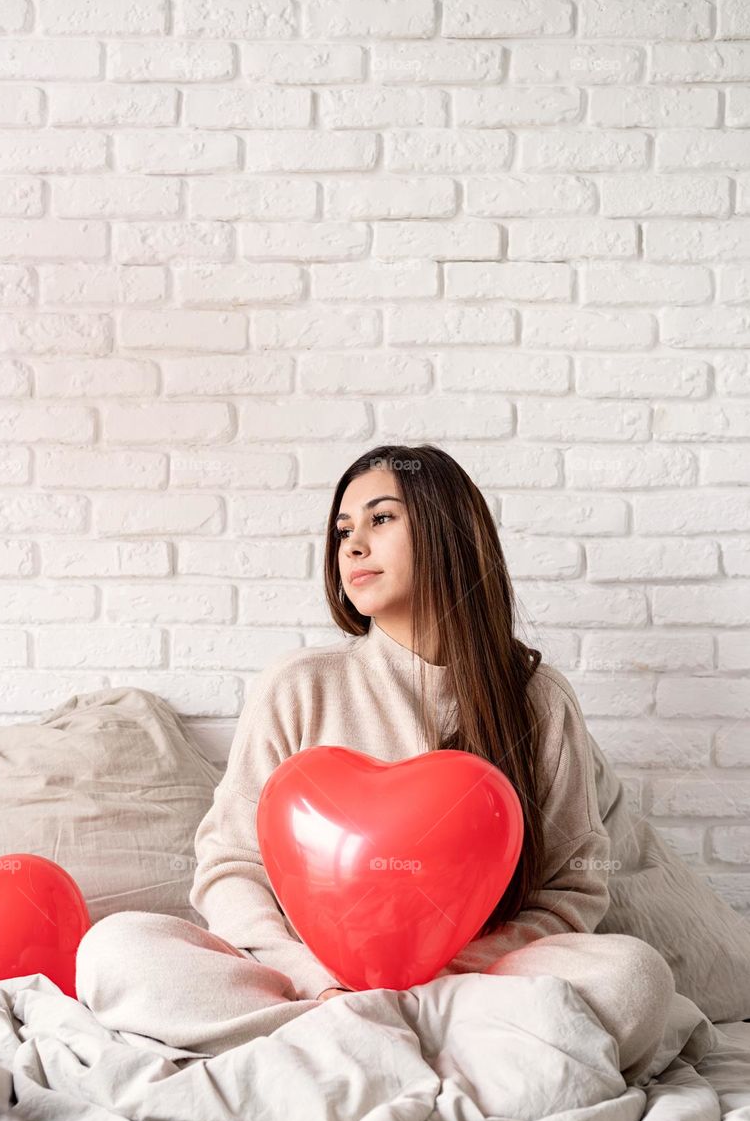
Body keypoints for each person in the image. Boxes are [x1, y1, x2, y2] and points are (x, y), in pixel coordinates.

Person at [75, 444, 675, 1083]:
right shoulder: (299, 686)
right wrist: (321, 983)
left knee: (636, 978)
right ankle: (399, 1047)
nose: (353, 545)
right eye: (343, 531)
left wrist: (450, 971)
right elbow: (231, 868)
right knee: (116, 949)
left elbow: (570, 887)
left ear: (449, 531)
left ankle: (360, 1054)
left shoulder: (539, 701)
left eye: (380, 519)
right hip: (305, 988)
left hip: (470, 988)